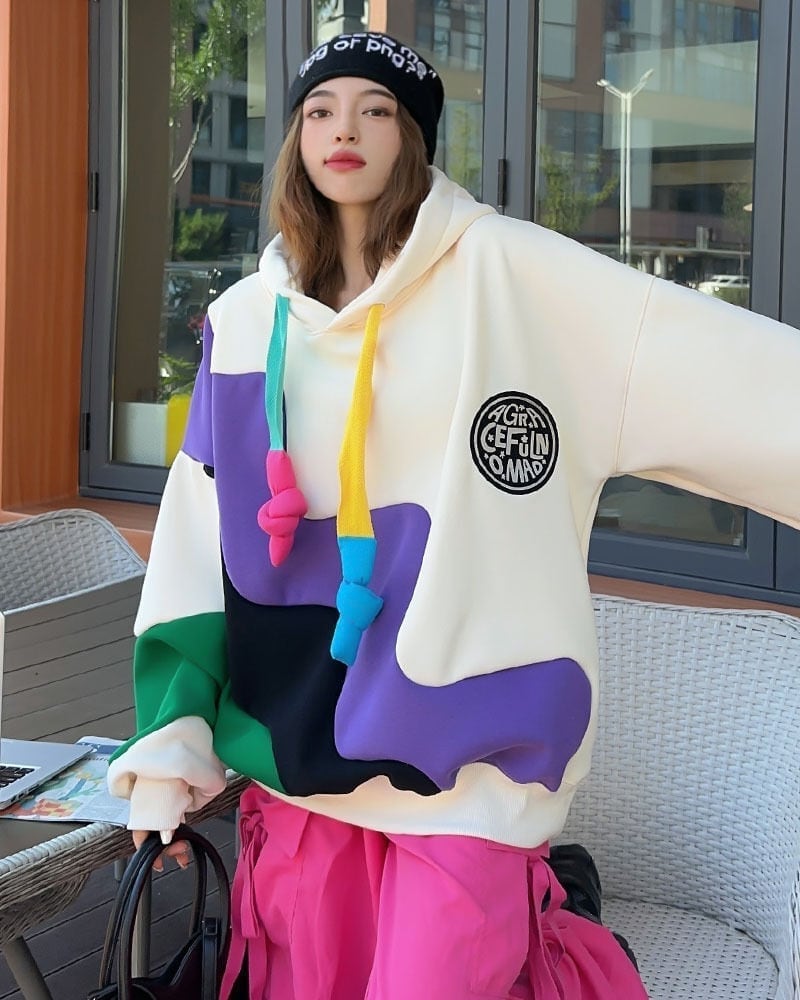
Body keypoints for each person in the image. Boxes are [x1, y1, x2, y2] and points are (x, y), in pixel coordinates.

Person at [107, 30, 800, 1000]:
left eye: (375, 110)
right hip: (298, 787)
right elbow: (194, 551)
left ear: (414, 138)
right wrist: (171, 747)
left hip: (469, 791)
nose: (344, 129)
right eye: (320, 110)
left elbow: (718, 374)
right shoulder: (242, 325)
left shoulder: (512, 281)